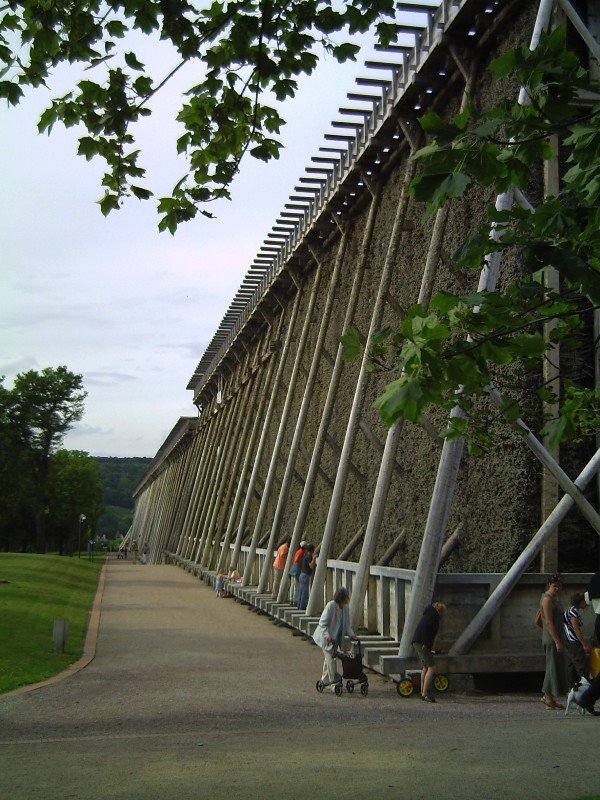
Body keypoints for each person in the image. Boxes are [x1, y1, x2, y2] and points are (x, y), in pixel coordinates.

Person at [312, 587, 357, 689]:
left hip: (336, 639)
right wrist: (327, 636)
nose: (348, 599)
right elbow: (322, 623)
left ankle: (324, 681)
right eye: (346, 597)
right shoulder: (330, 606)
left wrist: (352, 635)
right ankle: (334, 683)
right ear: (342, 598)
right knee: (331, 660)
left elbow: (347, 625)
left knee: (328, 660)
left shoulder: (345, 608)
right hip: (326, 638)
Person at [540, 573, 569, 709]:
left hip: (557, 635)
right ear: (549, 585)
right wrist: (557, 641)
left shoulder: (554, 599)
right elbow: (549, 622)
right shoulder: (547, 599)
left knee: (555, 666)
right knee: (552, 666)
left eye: (559, 586)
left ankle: (549, 697)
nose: (557, 588)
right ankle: (548, 697)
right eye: (554, 586)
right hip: (551, 637)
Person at [411, 601, 446, 702]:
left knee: (425, 667)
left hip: (417, 642)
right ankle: (425, 694)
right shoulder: (433, 616)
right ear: (440, 611)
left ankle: (423, 691)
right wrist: (426, 643)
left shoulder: (428, 614)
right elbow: (426, 629)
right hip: (421, 643)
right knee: (432, 668)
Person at [563, 592, 590, 685]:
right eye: (584, 602)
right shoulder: (573, 612)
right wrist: (584, 644)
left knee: (572, 664)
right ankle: (585, 686)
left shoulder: (570, 610)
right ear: (580, 602)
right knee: (581, 664)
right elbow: (576, 629)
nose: (586, 604)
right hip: (573, 641)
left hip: (568, 641)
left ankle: (572, 687)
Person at [297, 544, 316, 611]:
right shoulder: (309, 557)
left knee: (301, 591)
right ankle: (302, 607)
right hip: (305, 575)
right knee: (305, 592)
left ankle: (299, 605)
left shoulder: (305, 556)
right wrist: (314, 559)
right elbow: (311, 566)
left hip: (301, 574)